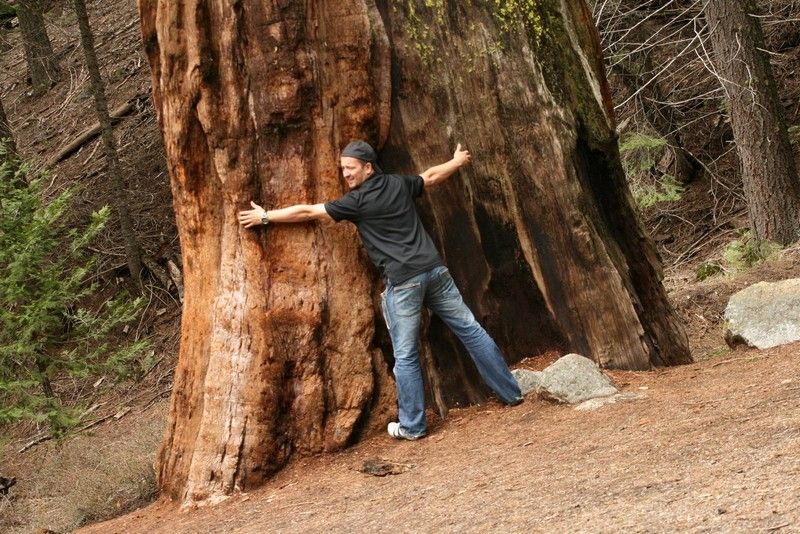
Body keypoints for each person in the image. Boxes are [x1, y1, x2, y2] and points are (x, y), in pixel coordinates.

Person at [238, 140, 522, 440]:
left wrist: (265, 216)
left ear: (368, 167)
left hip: (405, 283)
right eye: (343, 168)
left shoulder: (357, 202)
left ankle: (412, 426)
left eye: (351, 168)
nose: (345, 174)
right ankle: (511, 393)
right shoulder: (399, 184)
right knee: (471, 330)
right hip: (434, 270)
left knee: (407, 356)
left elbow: (307, 212)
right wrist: (457, 161)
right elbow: (431, 177)